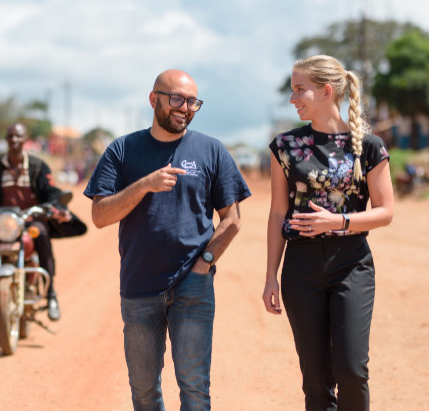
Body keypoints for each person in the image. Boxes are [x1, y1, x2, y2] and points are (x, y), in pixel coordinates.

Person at [84, 69, 251, 410]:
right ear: (153, 99)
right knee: (144, 392)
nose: (185, 107)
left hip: (193, 285)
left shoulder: (212, 150)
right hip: (139, 285)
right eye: (176, 98)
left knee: (194, 389)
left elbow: (232, 220)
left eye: (192, 101)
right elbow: (100, 216)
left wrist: (205, 263)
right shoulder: (123, 150)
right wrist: (143, 185)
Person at [262, 55, 394, 410]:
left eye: (299, 90)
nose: (293, 99)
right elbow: (277, 213)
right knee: (316, 380)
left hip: (351, 264)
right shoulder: (285, 147)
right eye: (292, 91)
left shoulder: (368, 146)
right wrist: (271, 276)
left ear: (325, 91)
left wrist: (339, 222)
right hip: (300, 266)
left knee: (352, 370)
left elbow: (386, 212)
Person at [0, 122, 86, 324]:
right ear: (6, 139)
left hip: (31, 222)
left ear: (25, 139)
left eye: (18, 136)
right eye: (10, 136)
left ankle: (51, 293)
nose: (14, 140)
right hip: (2, 224)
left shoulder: (38, 166)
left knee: (42, 236)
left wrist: (57, 208)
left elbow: (52, 193)